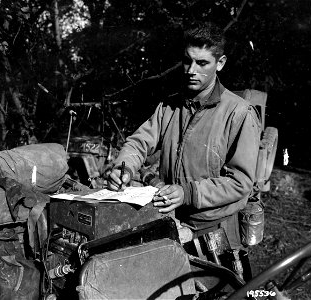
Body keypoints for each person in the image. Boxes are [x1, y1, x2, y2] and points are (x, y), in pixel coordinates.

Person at [107, 22, 261, 280]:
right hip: (173, 227)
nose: (191, 70)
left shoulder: (239, 113)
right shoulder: (170, 106)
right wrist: (124, 168)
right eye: (187, 61)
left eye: (202, 63)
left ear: (220, 63)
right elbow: (138, 142)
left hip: (216, 238)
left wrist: (187, 192)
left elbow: (241, 182)